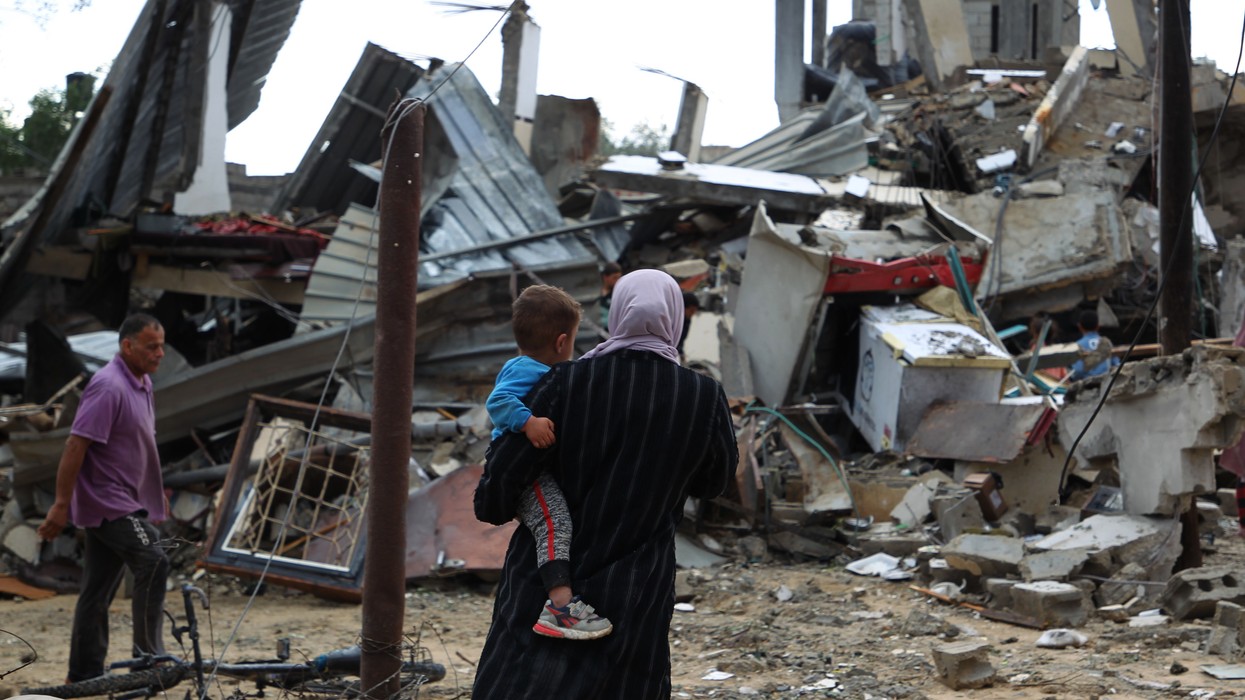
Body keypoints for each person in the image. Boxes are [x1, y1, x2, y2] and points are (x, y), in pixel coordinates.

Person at [473, 269, 738, 699]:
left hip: (544, 587)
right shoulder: (703, 397)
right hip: (636, 591)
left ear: (618, 314)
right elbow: (714, 483)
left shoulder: (565, 380)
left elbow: (497, 490)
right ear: (675, 318)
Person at [37, 313, 169, 683]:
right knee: (153, 560)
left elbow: (138, 445)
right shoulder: (108, 386)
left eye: (161, 345)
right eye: (151, 347)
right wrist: (62, 504)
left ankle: (82, 674)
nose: (159, 353)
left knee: (96, 591)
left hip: (125, 498)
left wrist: (155, 494)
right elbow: (75, 445)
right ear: (127, 346)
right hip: (106, 501)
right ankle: (148, 660)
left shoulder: (142, 383)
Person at [485, 284, 612, 640]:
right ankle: (561, 606)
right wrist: (528, 422)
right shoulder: (524, 369)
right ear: (561, 342)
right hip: (526, 476)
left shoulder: (538, 368)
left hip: (536, 470)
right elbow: (498, 402)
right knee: (554, 522)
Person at [1067, 309, 1119, 381]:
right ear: (1098, 326)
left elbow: (1078, 371)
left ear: (1080, 326)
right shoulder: (1107, 343)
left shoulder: (1077, 345)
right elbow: (1116, 364)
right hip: (1106, 383)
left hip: (1087, 385)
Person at [596, 261, 622, 331]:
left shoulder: (618, 294)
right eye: (614, 278)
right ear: (605, 277)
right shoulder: (595, 295)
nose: (617, 281)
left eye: (619, 277)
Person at [677, 291, 700, 358]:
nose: (692, 314)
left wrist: (681, 352)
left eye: (694, 312)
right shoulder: (673, 320)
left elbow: (681, 340)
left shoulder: (687, 320)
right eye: (691, 311)